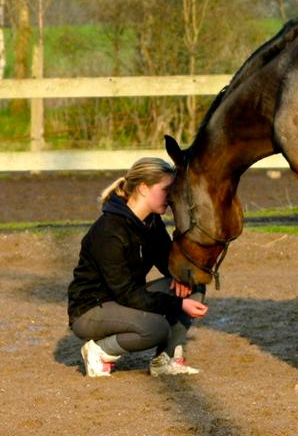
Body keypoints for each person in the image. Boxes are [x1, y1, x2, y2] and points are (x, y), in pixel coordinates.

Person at [67, 157, 208, 378]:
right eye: (166, 190)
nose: (171, 197)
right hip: (91, 310)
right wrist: (178, 304)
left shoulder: (151, 222)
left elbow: (167, 261)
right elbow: (126, 294)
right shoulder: (109, 231)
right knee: (156, 328)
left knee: (195, 285)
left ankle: (165, 360)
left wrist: (180, 275)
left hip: (125, 299)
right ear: (143, 188)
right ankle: (99, 351)